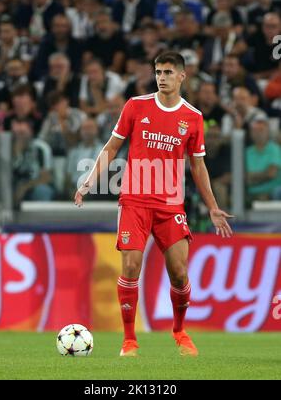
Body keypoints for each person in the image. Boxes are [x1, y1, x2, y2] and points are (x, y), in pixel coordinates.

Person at [74, 51, 233, 357]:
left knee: (180, 273)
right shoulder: (136, 106)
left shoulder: (193, 117)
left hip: (171, 204)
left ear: (182, 76)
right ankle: (129, 340)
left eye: (168, 72)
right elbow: (112, 147)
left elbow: (198, 167)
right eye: (158, 72)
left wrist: (212, 206)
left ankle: (179, 330)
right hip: (134, 199)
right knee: (131, 266)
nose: (162, 77)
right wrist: (90, 181)